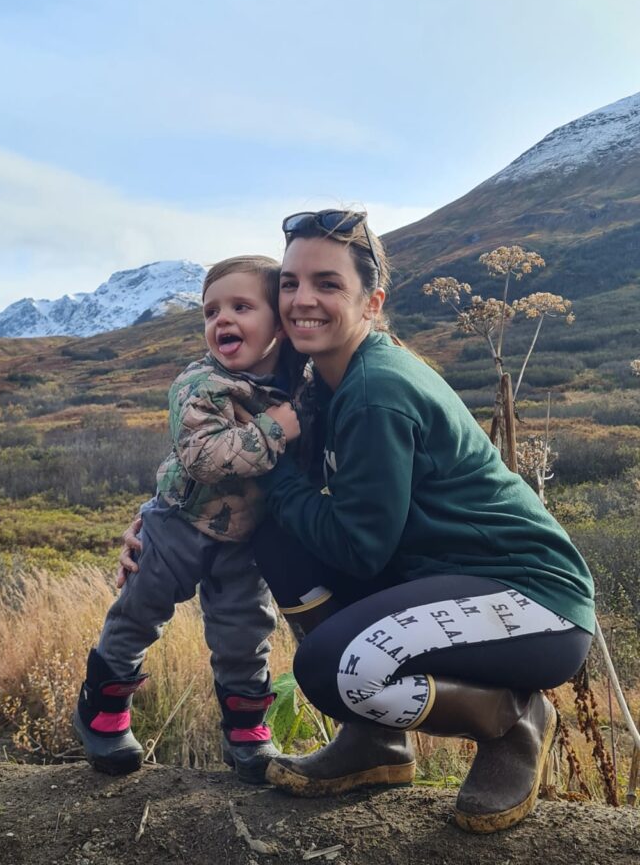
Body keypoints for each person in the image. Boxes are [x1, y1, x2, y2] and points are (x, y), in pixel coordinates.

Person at [245, 208, 595, 833]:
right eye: (290, 283)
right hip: (435, 582)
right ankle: (375, 742)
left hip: (534, 603)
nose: (303, 300)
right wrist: (157, 520)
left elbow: (358, 550)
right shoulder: (322, 380)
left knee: (331, 669)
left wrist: (269, 471)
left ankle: (510, 719)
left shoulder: (377, 389)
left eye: (328, 283)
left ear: (371, 301)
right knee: (279, 534)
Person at [74, 255, 300, 784]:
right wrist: (276, 430)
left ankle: (246, 731)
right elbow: (203, 457)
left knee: (245, 633)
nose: (222, 319)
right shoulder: (198, 384)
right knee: (138, 610)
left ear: (279, 320)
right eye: (210, 311)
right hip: (176, 524)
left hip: (246, 541)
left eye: (242, 307)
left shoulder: (297, 385)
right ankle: (102, 711)